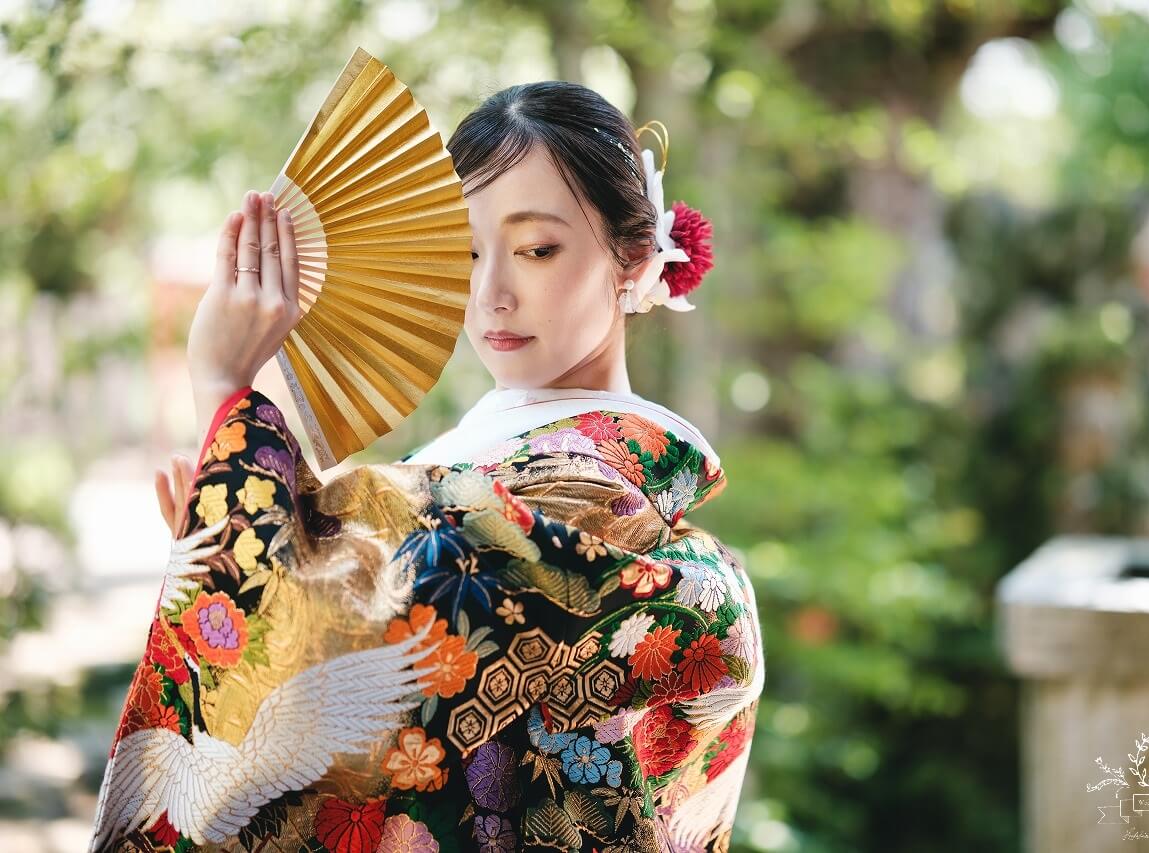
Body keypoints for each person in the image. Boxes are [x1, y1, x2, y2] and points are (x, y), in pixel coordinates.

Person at [96, 81, 763, 853]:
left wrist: (229, 406)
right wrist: (242, 540)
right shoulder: (471, 465)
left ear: (635, 255)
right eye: (468, 252)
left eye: (536, 249)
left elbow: (426, 572)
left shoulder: (600, 492)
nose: (490, 294)